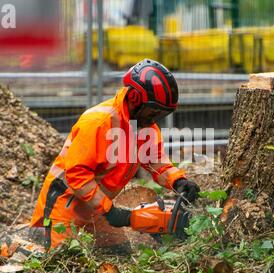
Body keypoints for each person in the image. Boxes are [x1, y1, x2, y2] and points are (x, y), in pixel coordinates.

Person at [30, 59, 200, 250]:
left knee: (118, 253)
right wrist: (110, 211)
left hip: (96, 207)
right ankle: (12, 245)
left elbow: (156, 162)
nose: (155, 119)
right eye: (153, 111)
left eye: (161, 114)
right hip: (65, 204)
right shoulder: (99, 122)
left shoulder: (144, 126)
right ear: (136, 100)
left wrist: (178, 181)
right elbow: (77, 174)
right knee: (62, 260)